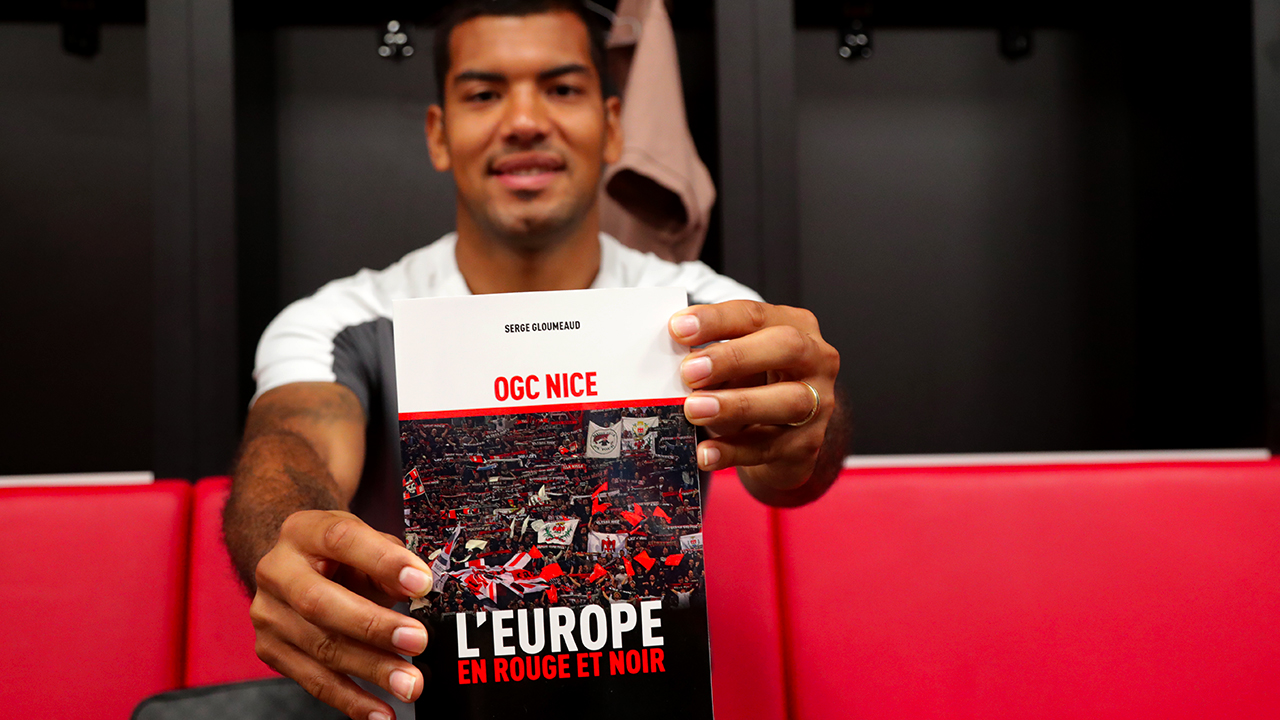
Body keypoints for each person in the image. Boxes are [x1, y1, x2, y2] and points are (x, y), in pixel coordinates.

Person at [222, 2, 847, 719]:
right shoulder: (341, 320)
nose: (524, 121)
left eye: (562, 88)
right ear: (438, 133)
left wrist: (806, 435)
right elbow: (290, 443)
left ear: (613, 126)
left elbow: (795, 468)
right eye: (485, 93)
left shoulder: (706, 310)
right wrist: (290, 539)